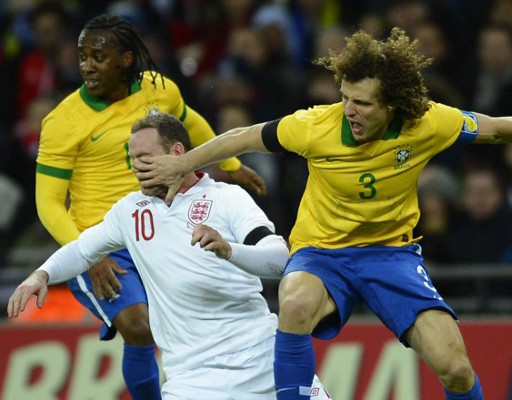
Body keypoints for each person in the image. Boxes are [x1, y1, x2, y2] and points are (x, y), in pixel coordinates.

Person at [132, 28, 512, 400]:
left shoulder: (426, 122)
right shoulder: (316, 125)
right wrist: (182, 162)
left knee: (456, 369)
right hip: (322, 253)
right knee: (293, 305)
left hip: (391, 256)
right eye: (345, 97)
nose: (349, 110)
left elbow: (495, 129)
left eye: (362, 103)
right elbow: (243, 137)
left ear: (392, 103)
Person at [9, 112, 329, 400]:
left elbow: (278, 258)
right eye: (132, 158)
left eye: (145, 157)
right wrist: (42, 275)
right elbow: (81, 250)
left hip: (262, 361)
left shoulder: (228, 198)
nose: (135, 166)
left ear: (177, 153)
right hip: (191, 380)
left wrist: (230, 250)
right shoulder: (130, 212)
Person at [35, 14, 266, 400]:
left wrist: (231, 166)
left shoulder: (159, 89)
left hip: (158, 228)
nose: (87, 66)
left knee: (183, 318)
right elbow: (48, 203)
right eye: (82, 57)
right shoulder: (62, 122)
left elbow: (192, 125)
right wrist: (87, 254)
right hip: (100, 240)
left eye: (98, 56)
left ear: (126, 59)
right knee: (139, 327)